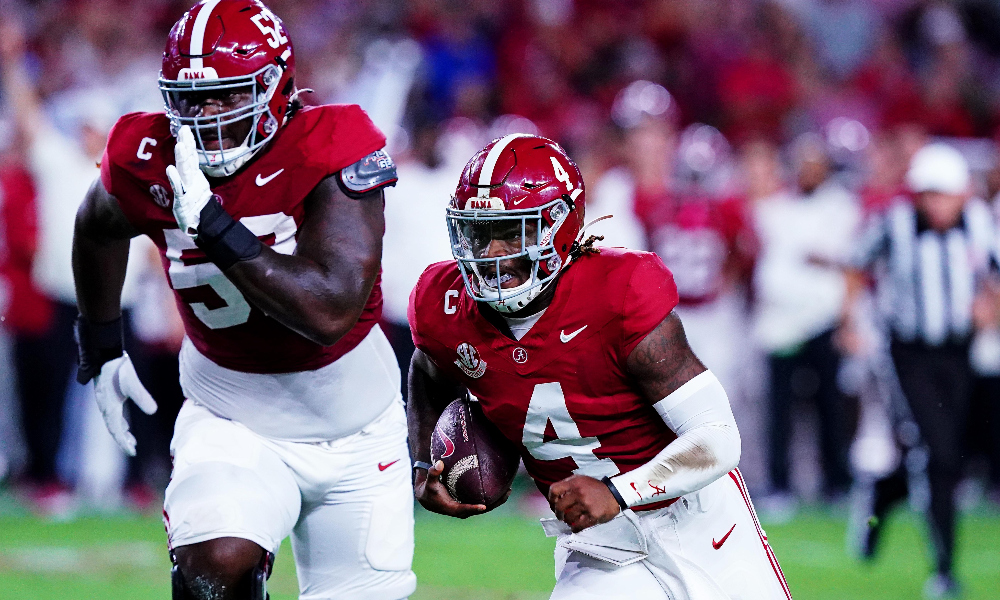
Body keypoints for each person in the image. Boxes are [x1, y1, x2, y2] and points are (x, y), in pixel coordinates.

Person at [72, 1, 414, 599]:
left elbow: (329, 310)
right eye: (189, 99)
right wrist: (101, 341)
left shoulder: (331, 142)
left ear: (276, 87)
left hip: (357, 426)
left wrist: (214, 226)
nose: (205, 117)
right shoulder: (146, 153)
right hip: (231, 415)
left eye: (227, 96)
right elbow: (96, 225)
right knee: (217, 561)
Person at [407, 134, 791, 600]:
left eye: (511, 232)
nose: (489, 253)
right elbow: (428, 369)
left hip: (697, 517)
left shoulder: (619, 291)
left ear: (558, 226)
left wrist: (618, 492)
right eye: (479, 232)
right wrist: (423, 460)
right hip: (598, 548)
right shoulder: (443, 304)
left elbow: (718, 435)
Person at [841, 142, 999, 599]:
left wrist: (990, 307)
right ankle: (946, 569)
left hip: (959, 352)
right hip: (909, 353)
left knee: (944, 453)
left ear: (963, 194)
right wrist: (849, 320)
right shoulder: (894, 223)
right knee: (939, 455)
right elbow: (855, 264)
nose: (937, 204)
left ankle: (878, 499)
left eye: (944, 194)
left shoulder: (981, 223)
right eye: (929, 194)